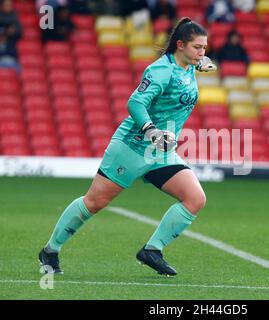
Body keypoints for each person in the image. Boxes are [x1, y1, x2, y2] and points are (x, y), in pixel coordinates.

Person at [38, 17, 217, 277]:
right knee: (94, 203)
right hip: (132, 146)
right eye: (198, 48)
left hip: (161, 152)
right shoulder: (160, 71)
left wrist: (201, 62)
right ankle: (50, 250)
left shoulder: (190, 64)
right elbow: (135, 103)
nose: (203, 53)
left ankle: (152, 250)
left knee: (195, 199)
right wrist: (151, 130)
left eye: (205, 47)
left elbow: (195, 68)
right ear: (180, 45)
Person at [0, 0, 22, 70]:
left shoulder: (14, 17)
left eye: (10, 5)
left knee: (16, 67)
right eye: (6, 5)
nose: (9, 7)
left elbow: (19, 32)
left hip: (11, 59)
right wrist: (6, 31)